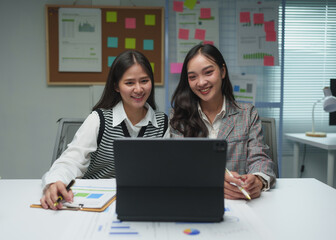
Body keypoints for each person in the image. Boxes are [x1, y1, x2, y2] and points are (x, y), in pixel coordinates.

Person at [40, 50, 168, 209]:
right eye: (129, 83)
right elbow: (71, 160)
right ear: (116, 86)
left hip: (141, 203)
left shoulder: (164, 124)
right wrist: (55, 182)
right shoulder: (98, 120)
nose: (138, 89)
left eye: (144, 81)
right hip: (93, 204)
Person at [170, 43, 276, 200]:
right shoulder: (179, 117)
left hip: (241, 202)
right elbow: (177, 166)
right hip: (196, 199)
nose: (201, 82)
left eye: (208, 72)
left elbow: (260, 157)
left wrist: (258, 180)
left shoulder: (247, 114)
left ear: (223, 71)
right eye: (193, 77)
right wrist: (215, 178)